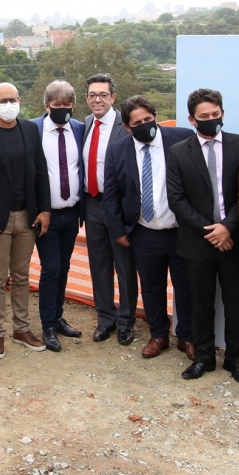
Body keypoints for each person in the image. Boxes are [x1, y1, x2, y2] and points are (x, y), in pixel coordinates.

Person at [166, 89, 239, 384]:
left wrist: (228, 227)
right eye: (205, 117)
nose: (212, 120)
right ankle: (203, 357)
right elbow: (177, 200)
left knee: (236, 303)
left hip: (235, 240)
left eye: (216, 115)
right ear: (192, 119)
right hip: (197, 243)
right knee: (200, 304)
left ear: (223, 114)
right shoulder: (178, 152)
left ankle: (237, 360)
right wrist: (212, 232)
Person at [104, 95, 195, 360]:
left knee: (185, 287)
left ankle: (186, 336)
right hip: (143, 232)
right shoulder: (118, 150)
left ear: (155, 116)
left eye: (149, 119)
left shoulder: (181, 138)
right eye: (138, 122)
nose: (145, 125)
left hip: (181, 230)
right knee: (152, 287)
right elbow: (111, 194)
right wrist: (118, 231)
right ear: (127, 127)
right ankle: (159, 335)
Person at [0, 82, 51, 359]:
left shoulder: (30, 129)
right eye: (1, 101)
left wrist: (44, 209)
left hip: (27, 216)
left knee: (22, 275)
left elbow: (40, 171)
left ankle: (22, 328)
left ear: (20, 100)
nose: (7, 105)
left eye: (11, 99)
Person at [82, 74, 137, 345]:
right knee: (98, 265)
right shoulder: (86, 124)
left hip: (119, 207)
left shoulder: (124, 126)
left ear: (113, 97)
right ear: (86, 99)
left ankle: (127, 321)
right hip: (91, 203)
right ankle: (106, 319)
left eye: (103, 94)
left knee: (124, 267)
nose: (97, 100)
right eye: (92, 95)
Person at [33, 81, 84, 351]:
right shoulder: (32, 129)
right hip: (45, 215)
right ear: (47, 105)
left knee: (64, 267)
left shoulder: (79, 129)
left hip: (72, 213)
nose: (62, 109)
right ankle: (48, 326)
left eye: (67, 105)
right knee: (50, 268)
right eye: (57, 105)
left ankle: (58, 316)